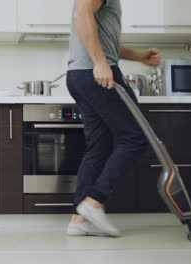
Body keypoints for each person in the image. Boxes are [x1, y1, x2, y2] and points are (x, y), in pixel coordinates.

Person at [66, 0, 161, 237]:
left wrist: (138, 56)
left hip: (79, 75)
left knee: (99, 146)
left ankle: (78, 221)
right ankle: (94, 201)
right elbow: (81, 16)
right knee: (136, 137)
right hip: (95, 72)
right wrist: (100, 63)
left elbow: (101, 39)